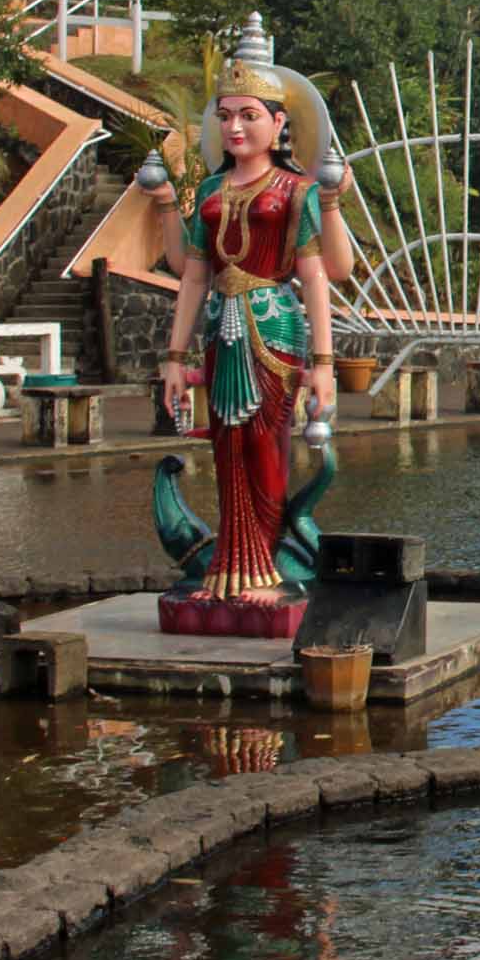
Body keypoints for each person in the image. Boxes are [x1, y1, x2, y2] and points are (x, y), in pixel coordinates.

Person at [156, 57, 336, 604]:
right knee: (226, 446)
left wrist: (325, 364)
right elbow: (193, 276)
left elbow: (315, 276)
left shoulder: (295, 191)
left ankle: (265, 568)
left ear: (280, 125)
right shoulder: (210, 192)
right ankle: (230, 570)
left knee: (264, 444)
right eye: (226, 116)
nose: (235, 128)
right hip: (221, 330)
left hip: (274, 326)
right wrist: (174, 355)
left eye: (249, 116)